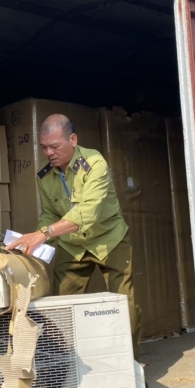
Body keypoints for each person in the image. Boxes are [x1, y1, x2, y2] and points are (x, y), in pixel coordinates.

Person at [8, 114, 142, 359]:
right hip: (73, 246)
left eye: (55, 146)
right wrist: (37, 241)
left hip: (108, 240)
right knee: (61, 308)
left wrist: (43, 233)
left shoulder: (94, 163)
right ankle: (67, 367)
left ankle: (130, 365)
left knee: (124, 304)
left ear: (73, 139)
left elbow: (87, 213)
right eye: (44, 147)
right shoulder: (45, 176)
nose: (48, 152)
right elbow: (49, 212)